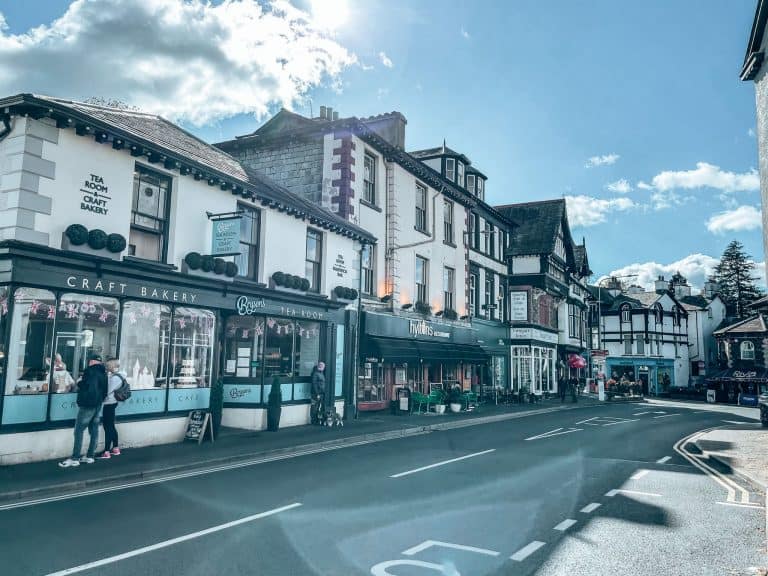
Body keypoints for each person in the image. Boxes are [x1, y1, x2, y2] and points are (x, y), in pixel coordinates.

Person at [59, 353, 108, 467]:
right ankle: (90, 456)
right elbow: (104, 390)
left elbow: (88, 387)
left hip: (87, 405)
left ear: (91, 361)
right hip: (98, 405)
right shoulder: (103, 373)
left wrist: (80, 382)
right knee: (94, 430)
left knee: (78, 431)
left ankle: (75, 458)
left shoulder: (90, 371)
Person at [99, 357, 125, 459]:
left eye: (107, 365)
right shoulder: (118, 376)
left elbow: (107, 390)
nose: (106, 367)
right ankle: (115, 448)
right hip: (113, 402)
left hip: (109, 403)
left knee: (107, 427)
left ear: (112, 365)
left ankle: (106, 451)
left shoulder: (115, 378)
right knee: (111, 426)